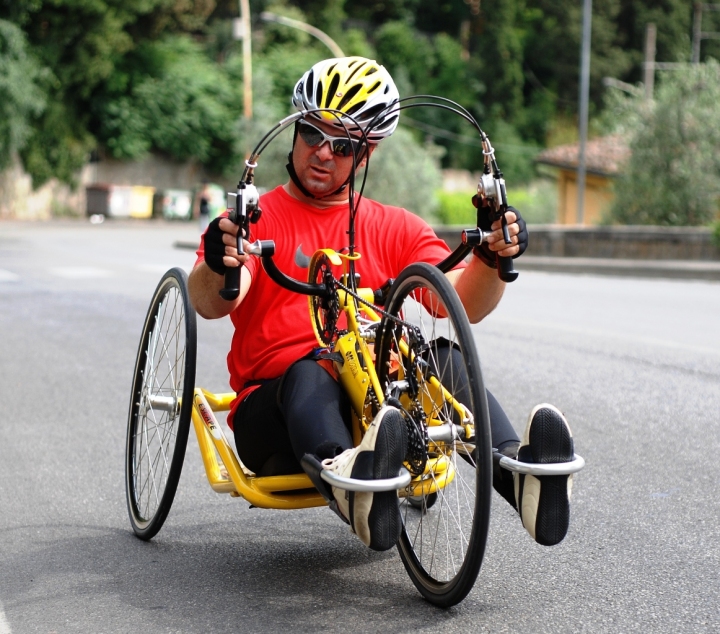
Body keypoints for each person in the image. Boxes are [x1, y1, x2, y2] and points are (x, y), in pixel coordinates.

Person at [188, 57, 575, 552]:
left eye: (343, 144)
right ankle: (354, 491)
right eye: (312, 134)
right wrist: (223, 262)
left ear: (365, 155)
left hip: (374, 403)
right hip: (277, 421)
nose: (323, 153)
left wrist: (491, 257)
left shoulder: (395, 227)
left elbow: (459, 302)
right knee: (316, 366)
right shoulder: (253, 220)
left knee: (440, 355)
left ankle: (518, 477)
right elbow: (213, 300)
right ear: (295, 131)